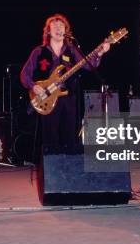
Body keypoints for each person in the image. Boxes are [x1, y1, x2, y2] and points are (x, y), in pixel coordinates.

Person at [20, 14, 110, 153]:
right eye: (54, 26)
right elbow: (24, 74)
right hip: (47, 99)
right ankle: (52, 171)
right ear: (48, 31)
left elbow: (88, 65)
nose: (58, 28)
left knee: (69, 137)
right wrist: (33, 86)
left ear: (66, 30)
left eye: (61, 26)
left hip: (68, 97)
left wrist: (100, 53)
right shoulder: (39, 51)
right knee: (50, 138)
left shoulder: (72, 50)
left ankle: (68, 171)